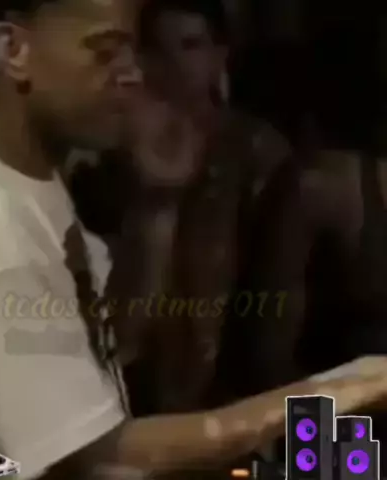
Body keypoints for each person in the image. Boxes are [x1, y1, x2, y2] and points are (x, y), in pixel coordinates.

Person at [0, 1, 387, 479]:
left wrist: (159, 209)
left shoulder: (25, 174)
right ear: (14, 50)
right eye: (105, 52)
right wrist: (340, 389)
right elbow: (103, 456)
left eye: (132, 52)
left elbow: (111, 360)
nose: (134, 74)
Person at [119, 0, 292, 415]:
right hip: (132, 378)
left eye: (191, 46)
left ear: (219, 55)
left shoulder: (257, 151)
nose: (175, 64)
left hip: (232, 381)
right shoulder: (112, 149)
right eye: (159, 50)